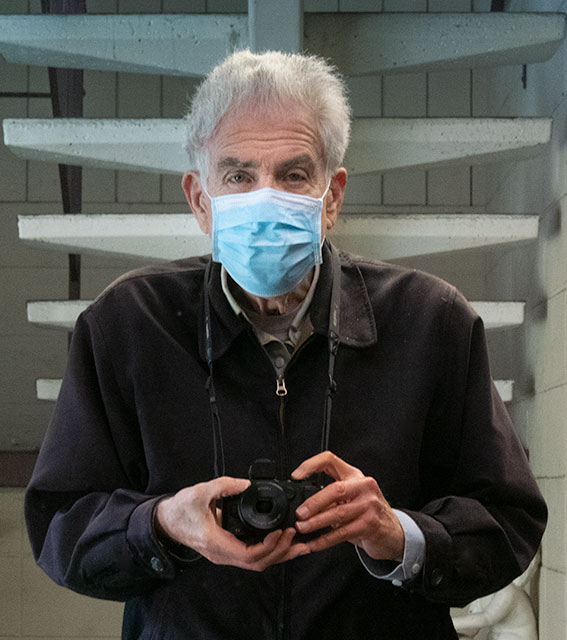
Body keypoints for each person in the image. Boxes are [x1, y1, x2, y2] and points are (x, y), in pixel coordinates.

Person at [25, 50, 547, 640]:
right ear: (199, 200)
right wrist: (161, 525)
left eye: (294, 175)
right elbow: (61, 525)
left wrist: (401, 536)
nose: (265, 198)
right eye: (238, 176)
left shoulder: (432, 321)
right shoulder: (127, 325)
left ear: (333, 196)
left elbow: (510, 520)